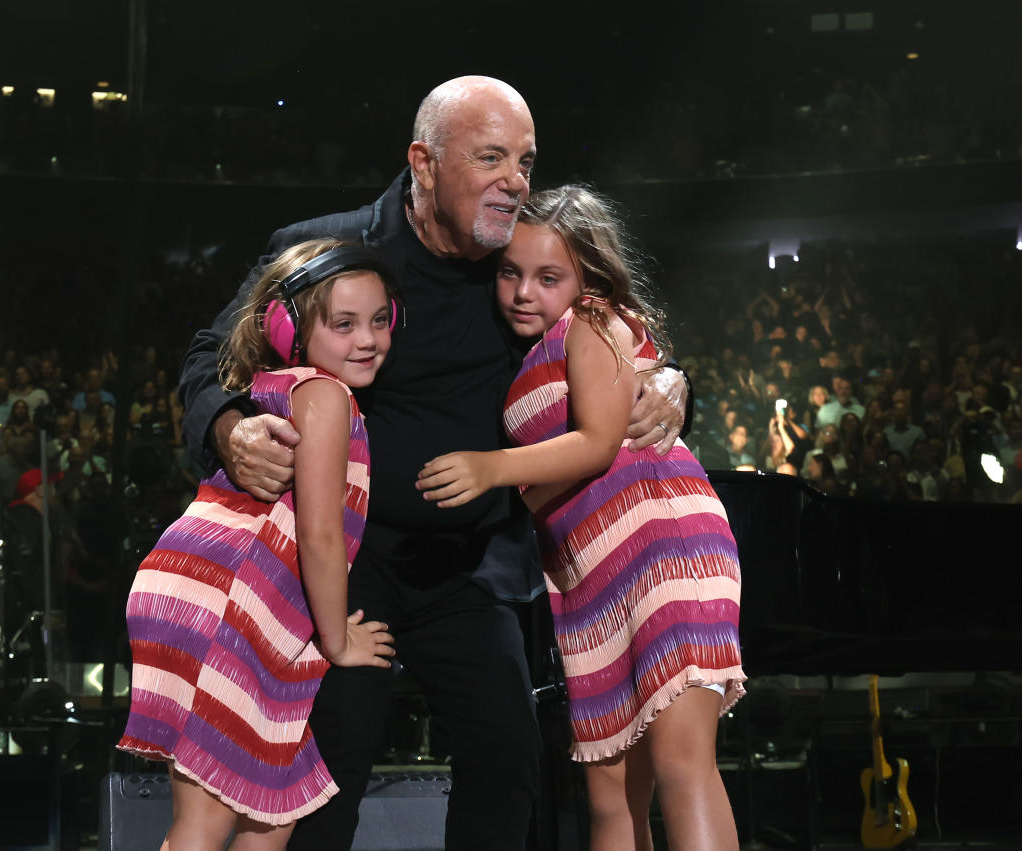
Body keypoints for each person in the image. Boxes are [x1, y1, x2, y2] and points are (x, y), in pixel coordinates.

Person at [177, 76, 691, 850]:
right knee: (328, 757)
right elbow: (209, 355)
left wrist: (675, 384)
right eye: (491, 157)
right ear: (423, 162)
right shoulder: (327, 249)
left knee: (508, 751)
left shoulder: (520, 264)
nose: (516, 180)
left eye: (525, 160)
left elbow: (615, 325)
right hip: (347, 557)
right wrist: (224, 428)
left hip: (470, 563)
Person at [417, 185, 744, 851]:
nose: (522, 292)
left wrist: (488, 467)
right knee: (611, 800)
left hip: (662, 548)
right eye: (510, 272)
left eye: (548, 277)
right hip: (590, 579)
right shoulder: (534, 348)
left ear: (587, 278)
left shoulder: (592, 320)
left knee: (683, 767)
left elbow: (597, 443)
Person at [118, 240, 398, 851]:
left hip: (214, 599)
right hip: (226, 610)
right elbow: (321, 536)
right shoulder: (326, 398)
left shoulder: (280, 387)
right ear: (286, 328)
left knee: (270, 817)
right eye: (343, 324)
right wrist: (338, 641)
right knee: (202, 825)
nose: (368, 339)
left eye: (380, 320)